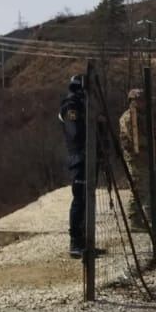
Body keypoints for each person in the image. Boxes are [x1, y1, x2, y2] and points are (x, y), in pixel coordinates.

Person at [118, 89, 156, 230]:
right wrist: (154, 143)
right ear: (133, 101)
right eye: (141, 100)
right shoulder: (129, 117)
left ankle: (151, 214)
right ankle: (134, 219)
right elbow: (136, 139)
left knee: (152, 185)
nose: (145, 103)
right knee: (139, 187)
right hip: (137, 157)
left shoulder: (145, 116)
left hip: (149, 155)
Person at [59, 75, 89, 258]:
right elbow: (75, 133)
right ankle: (75, 242)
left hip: (85, 155)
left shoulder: (81, 104)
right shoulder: (71, 106)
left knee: (86, 200)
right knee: (79, 199)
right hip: (78, 155)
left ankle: (84, 240)